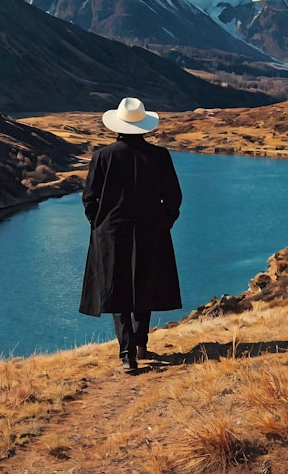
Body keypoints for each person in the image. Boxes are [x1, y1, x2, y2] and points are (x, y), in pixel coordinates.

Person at [79, 96, 182, 371]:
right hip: (151, 230)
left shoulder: (103, 156)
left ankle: (127, 353)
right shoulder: (160, 156)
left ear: (117, 127)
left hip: (112, 233)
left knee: (118, 288)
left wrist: (99, 225)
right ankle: (140, 340)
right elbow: (173, 198)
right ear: (145, 128)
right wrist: (164, 223)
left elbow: (90, 198)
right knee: (144, 282)